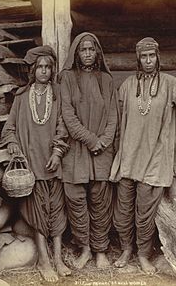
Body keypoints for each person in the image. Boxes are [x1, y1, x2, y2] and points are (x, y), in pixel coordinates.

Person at [110, 37, 176, 274]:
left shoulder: (170, 83)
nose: (148, 60)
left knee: (145, 215)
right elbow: (116, 117)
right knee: (123, 212)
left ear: (158, 57)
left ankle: (143, 255)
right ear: (138, 58)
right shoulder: (128, 85)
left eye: (152, 56)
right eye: (144, 56)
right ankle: (126, 250)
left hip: (156, 160)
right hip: (128, 157)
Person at [0, 46, 71, 282]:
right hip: (31, 167)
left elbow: (64, 126)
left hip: (54, 164)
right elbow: (8, 130)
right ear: (32, 70)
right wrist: (13, 145)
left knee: (57, 213)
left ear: (52, 70)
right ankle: (43, 260)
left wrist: (58, 152)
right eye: (39, 67)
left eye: (47, 67)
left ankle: (58, 259)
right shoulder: (21, 98)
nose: (43, 71)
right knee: (39, 214)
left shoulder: (59, 94)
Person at [59, 32, 118, 269]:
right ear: (76, 53)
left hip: (101, 151)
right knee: (76, 200)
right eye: (82, 50)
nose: (87, 54)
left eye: (91, 50)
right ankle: (84, 248)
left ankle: (100, 249)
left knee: (100, 201)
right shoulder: (67, 78)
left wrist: (102, 141)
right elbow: (68, 116)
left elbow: (113, 116)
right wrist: (91, 140)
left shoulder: (107, 80)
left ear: (97, 53)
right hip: (76, 150)